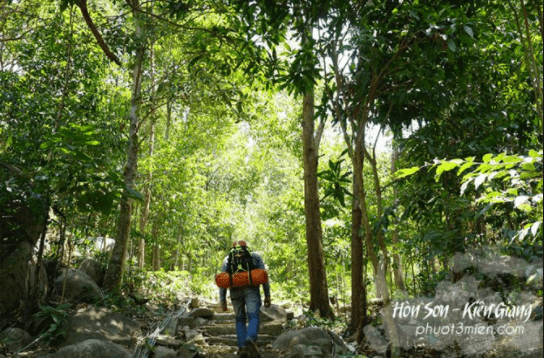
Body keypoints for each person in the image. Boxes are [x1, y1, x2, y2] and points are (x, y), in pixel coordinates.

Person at [219, 240, 271, 358]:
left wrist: (222, 298)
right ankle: (251, 339)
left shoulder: (228, 258)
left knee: (239, 319)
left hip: (234, 290)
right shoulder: (255, 256)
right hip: (251, 289)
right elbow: (264, 276)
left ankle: (242, 347)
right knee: (253, 316)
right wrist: (267, 294)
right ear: (246, 247)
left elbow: (223, 278)